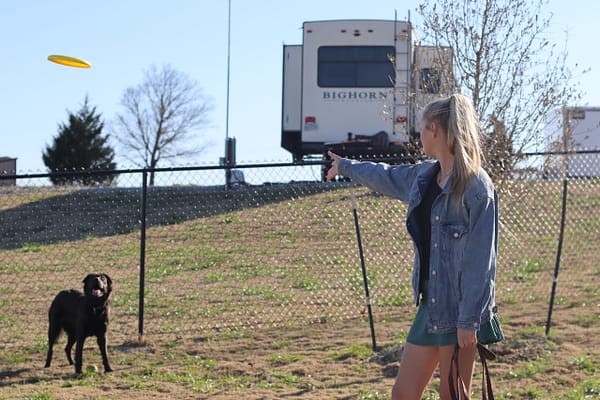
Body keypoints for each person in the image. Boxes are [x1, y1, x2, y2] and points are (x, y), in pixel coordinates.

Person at [326, 94, 500, 400]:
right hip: (430, 305)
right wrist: (345, 166)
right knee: (403, 393)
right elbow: (385, 176)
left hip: (461, 309)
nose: (419, 136)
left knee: (453, 396)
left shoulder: (476, 187)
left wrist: (469, 321)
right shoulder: (424, 176)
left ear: (434, 129)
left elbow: (480, 262)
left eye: (421, 128)